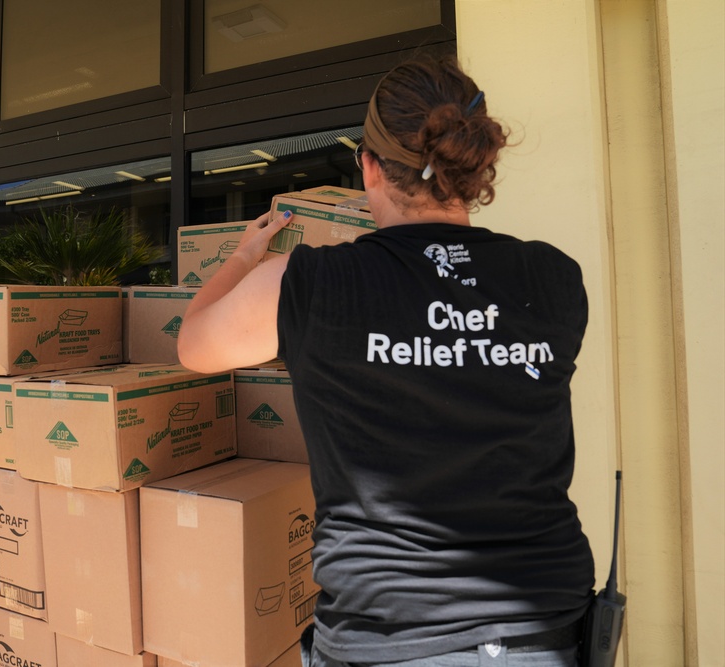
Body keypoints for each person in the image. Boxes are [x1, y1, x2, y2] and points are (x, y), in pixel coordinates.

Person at [177, 55, 596, 667]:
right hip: (548, 632)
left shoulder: (310, 283)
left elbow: (194, 345)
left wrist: (244, 257)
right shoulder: (554, 277)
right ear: (477, 165)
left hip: (391, 640)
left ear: (368, 167)